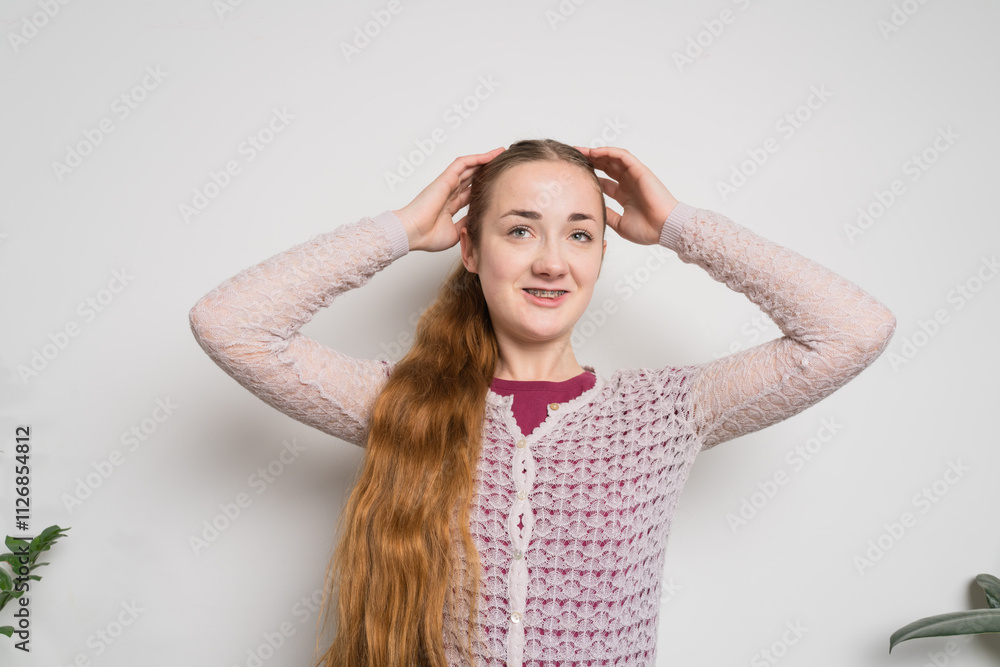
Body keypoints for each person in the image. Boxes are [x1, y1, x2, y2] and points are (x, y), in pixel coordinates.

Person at [187, 139, 896, 667]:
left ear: (600, 255)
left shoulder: (668, 411)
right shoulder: (403, 400)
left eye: (579, 234)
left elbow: (851, 330)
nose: (552, 261)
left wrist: (680, 226)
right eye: (520, 229)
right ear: (470, 248)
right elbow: (232, 322)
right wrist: (401, 228)